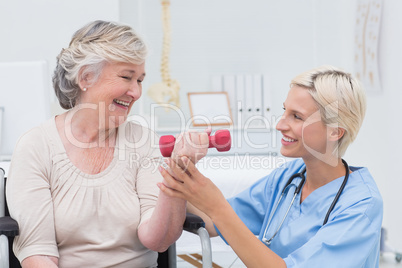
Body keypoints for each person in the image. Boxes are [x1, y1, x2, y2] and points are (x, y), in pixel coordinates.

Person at [159, 65, 383, 267]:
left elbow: (219, 213)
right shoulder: (290, 177)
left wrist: (217, 206)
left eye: (296, 116)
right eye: (284, 110)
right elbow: (212, 222)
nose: (279, 124)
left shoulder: (361, 205)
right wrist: (182, 169)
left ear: (335, 131)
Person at [6, 20, 186, 268]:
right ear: (86, 77)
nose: (136, 92)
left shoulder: (143, 142)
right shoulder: (36, 146)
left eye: (140, 80)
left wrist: (176, 176)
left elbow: (157, 240)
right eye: (126, 77)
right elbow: (38, 254)